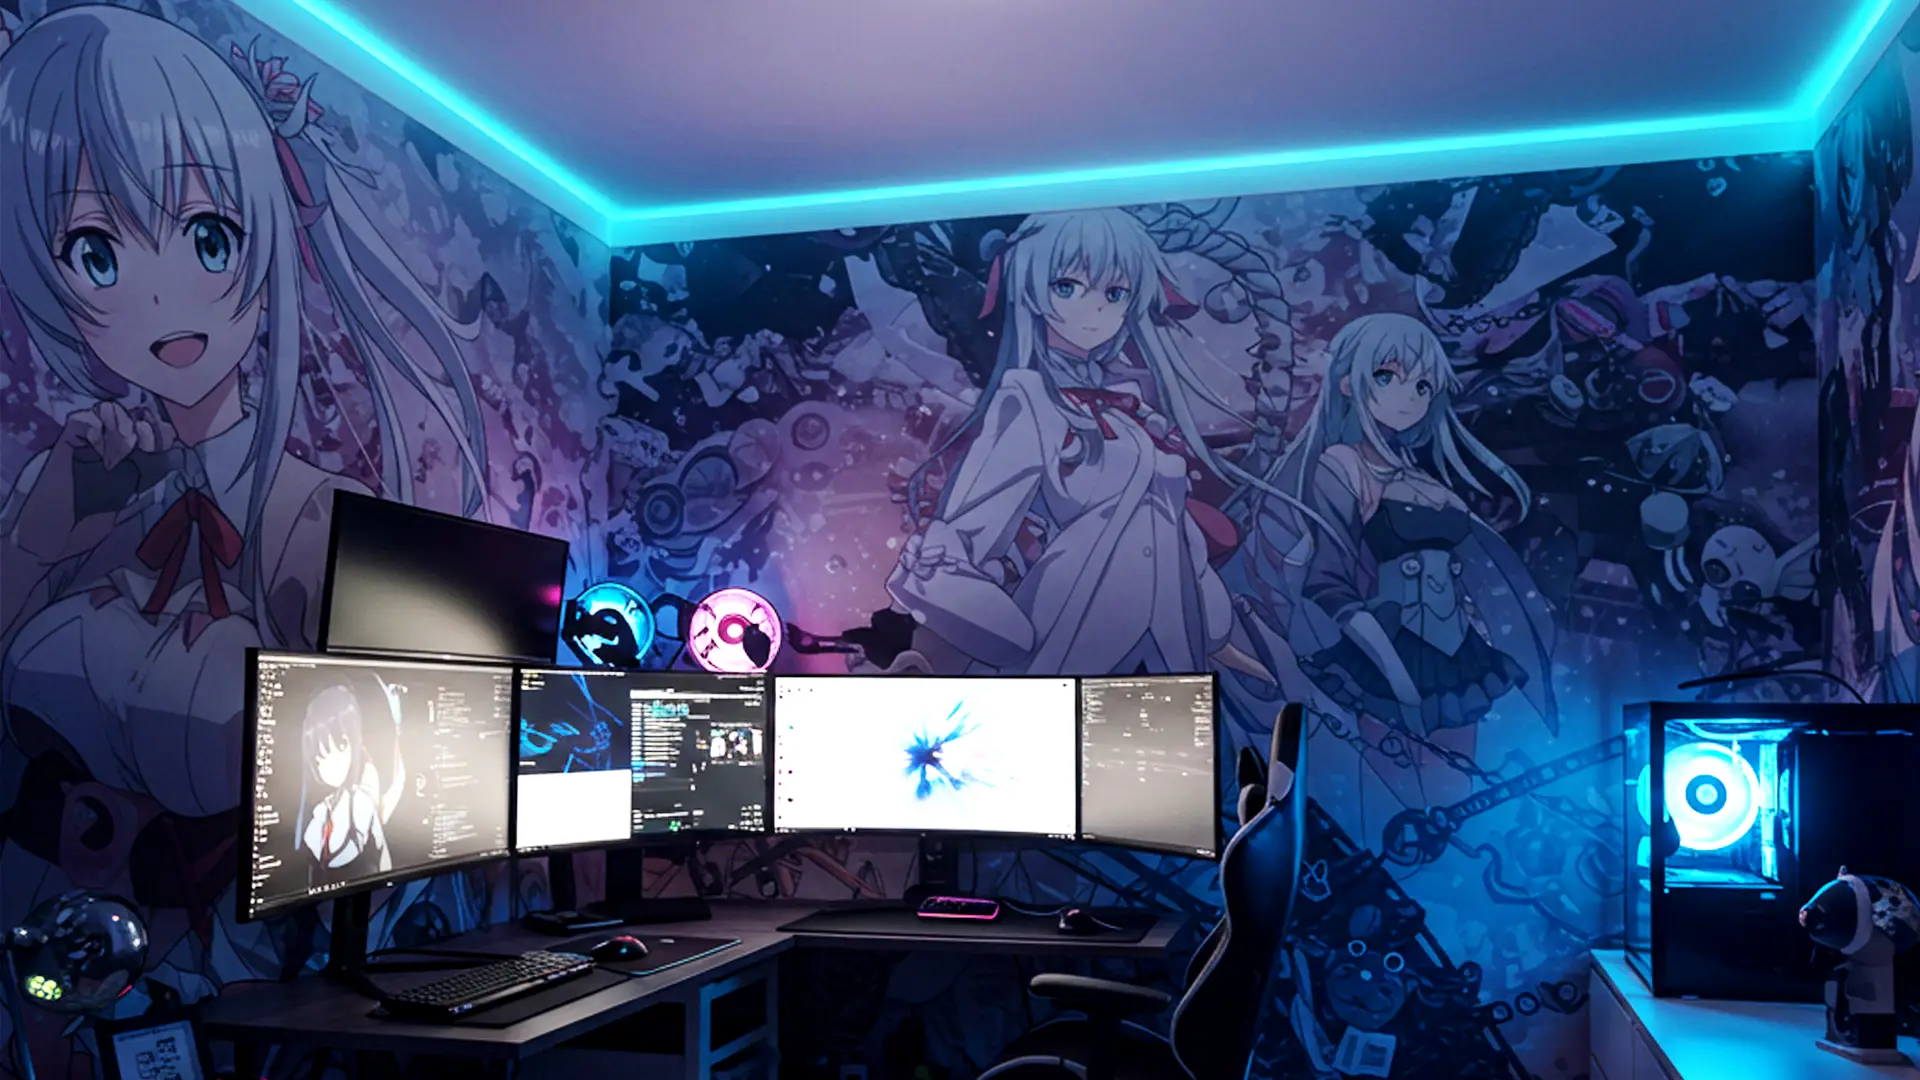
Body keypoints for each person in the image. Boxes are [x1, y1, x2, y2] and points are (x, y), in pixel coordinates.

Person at [888, 208, 1267, 678]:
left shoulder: (1126, 412)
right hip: (1069, 628)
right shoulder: (1028, 401)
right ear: (1031, 289)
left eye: (1115, 293)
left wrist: (1212, 627)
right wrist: (955, 633)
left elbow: (1171, 530)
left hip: (1159, 642)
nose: (1096, 310)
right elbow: (966, 535)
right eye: (1067, 287)